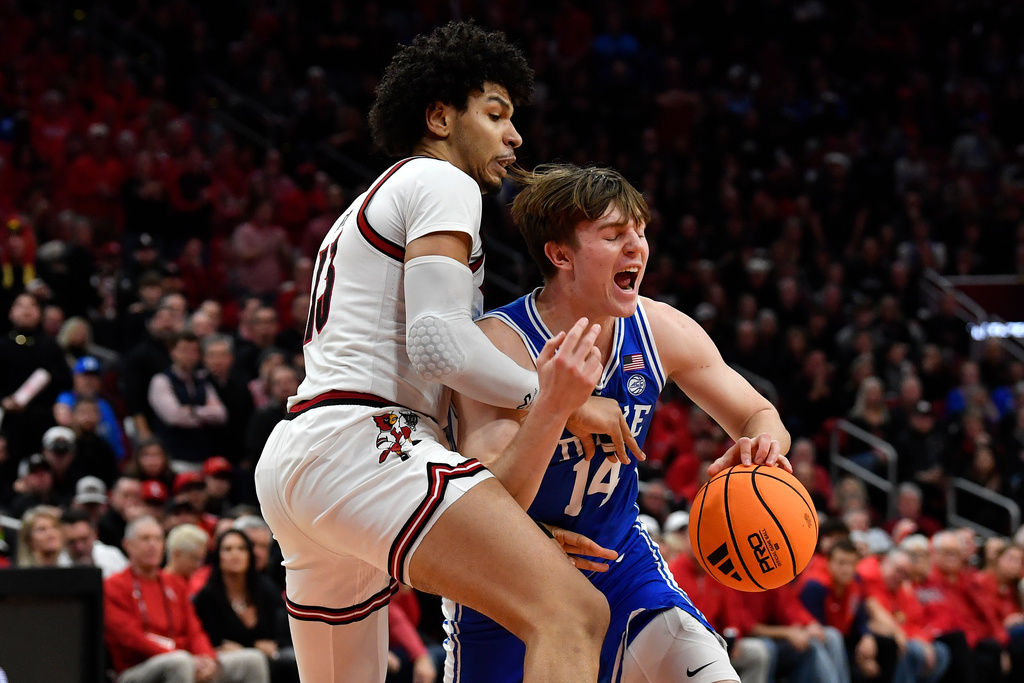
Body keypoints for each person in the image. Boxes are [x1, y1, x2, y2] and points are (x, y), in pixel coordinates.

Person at [255, 21, 637, 683]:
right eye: (495, 113)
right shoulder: (440, 182)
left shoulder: (368, 203)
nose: (514, 135)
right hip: (366, 441)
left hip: (305, 455)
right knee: (572, 613)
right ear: (439, 116)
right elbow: (438, 343)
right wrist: (554, 398)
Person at [445, 164, 792, 682]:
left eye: (640, 232)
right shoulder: (501, 344)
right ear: (560, 255)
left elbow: (757, 412)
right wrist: (556, 406)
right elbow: (498, 500)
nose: (637, 248)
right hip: (509, 575)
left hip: (619, 562)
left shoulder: (659, 328)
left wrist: (760, 447)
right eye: (613, 236)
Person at [104, 516, 270, 683]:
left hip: (187, 660)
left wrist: (207, 659)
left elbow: (194, 629)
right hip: (137, 668)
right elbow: (130, 638)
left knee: (253, 660)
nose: (152, 545)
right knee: (180, 662)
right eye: (145, 539)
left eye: (158, 539)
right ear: (127, 545)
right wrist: (184, 658)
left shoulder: (174, 583)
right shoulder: (113, 586)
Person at [193, 529, 299, 683]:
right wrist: (253, 646)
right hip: (229, 660)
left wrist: (275, 644)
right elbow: (214, 641)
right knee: (256, 661)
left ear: (249, 555)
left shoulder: (265, 588)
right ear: (218, 557)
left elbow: (287, 628)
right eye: (228, 549)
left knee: (293, 659)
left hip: (273, 656)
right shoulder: (207, 597)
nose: (235, 554)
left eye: (241, 548)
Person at [60, 506, 129, 577]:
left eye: (84, 539)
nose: (80, 547)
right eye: (71, 542)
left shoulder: (111, 556)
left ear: (95, 534)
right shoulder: (57, 563)